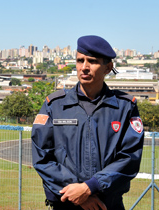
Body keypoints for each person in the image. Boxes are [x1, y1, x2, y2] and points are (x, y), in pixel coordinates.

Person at [31, 35, 144, 210]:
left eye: (92, 61)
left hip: (107, 205)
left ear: (108, 68)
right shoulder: (55, 105)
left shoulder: (124, 107)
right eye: (79, 60)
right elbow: (42, 157)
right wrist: (79, 195)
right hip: (65, 204)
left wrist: (91, 186)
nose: (84, 67)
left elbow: (130, 158)